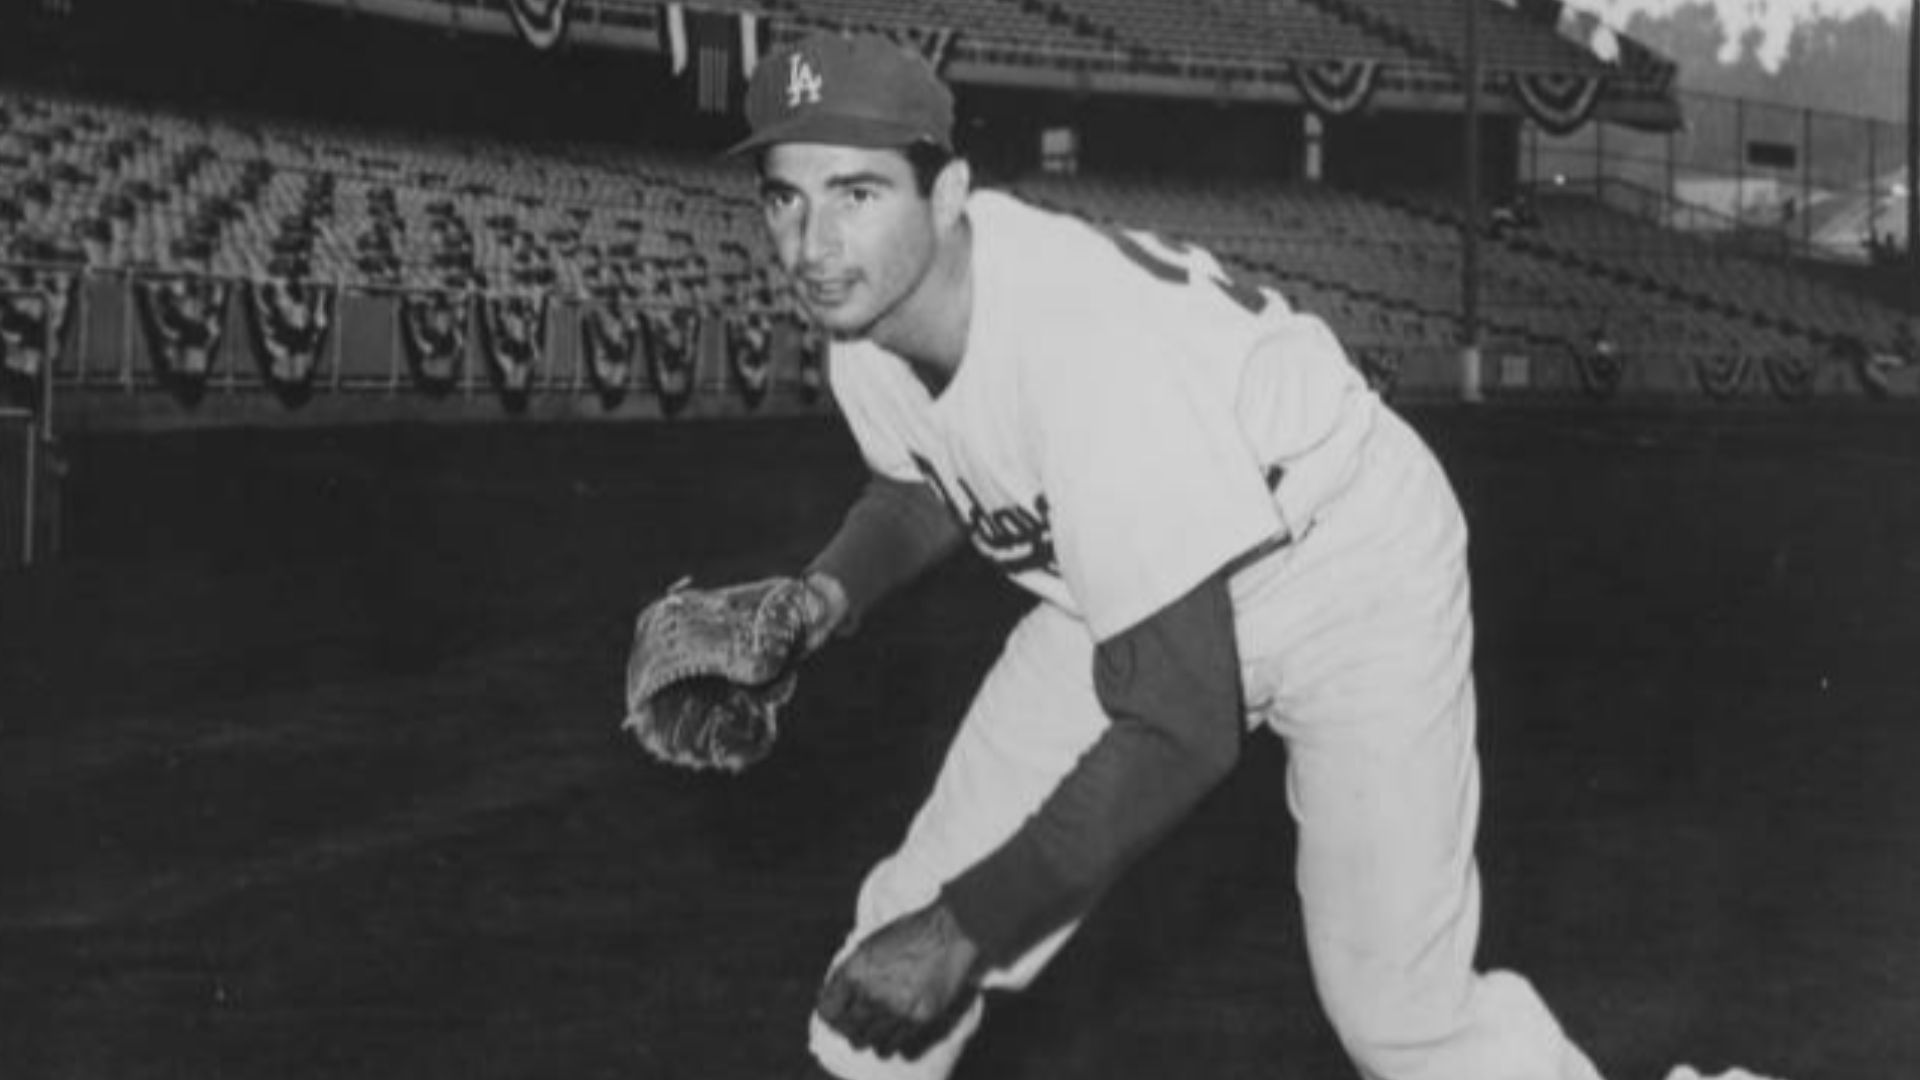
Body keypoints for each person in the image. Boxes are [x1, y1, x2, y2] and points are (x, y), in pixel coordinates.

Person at [728, 30, 1608, 1080]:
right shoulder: (866, 324)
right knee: (907, 916)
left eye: (857, 193)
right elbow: (929, 478)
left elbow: (1182, 727)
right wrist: (828, 593)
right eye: (787, 198)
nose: (813, 242)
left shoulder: (1084, 353)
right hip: (1125, 571)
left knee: (1400, 1018)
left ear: (950, 190)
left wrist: (966, 928)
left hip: (1345, 570)